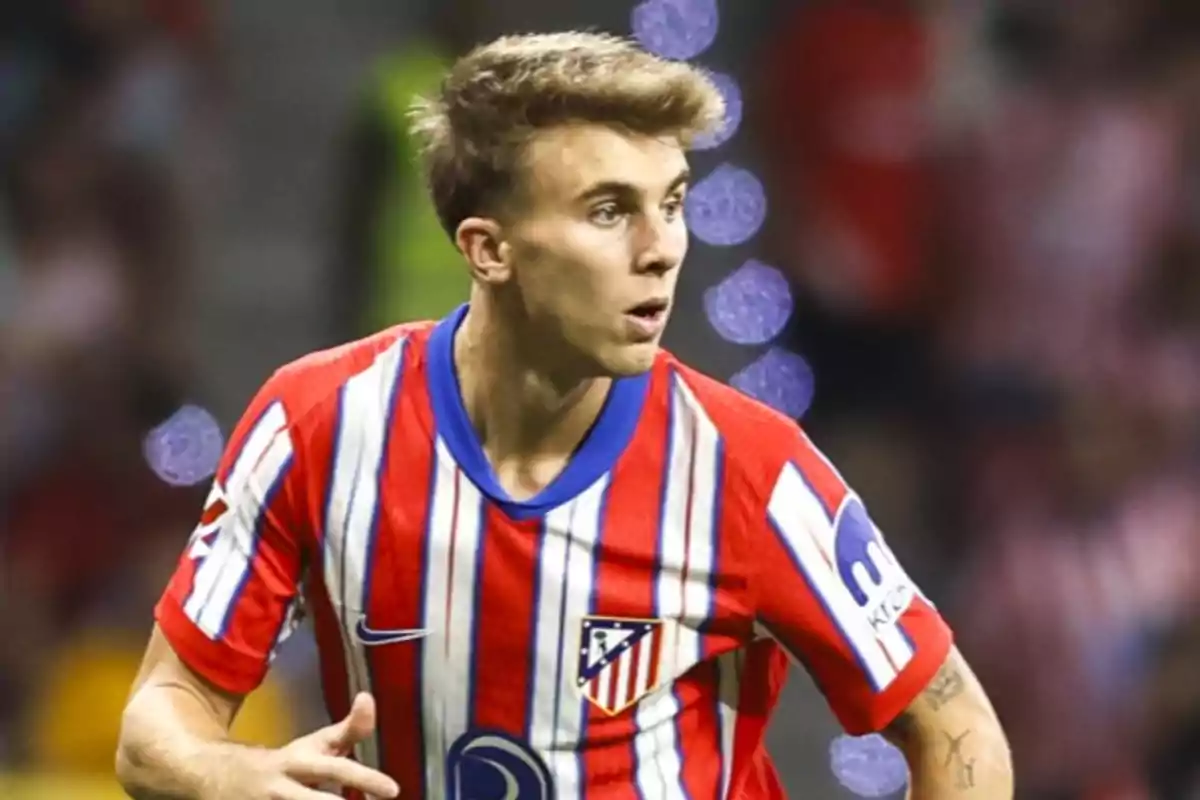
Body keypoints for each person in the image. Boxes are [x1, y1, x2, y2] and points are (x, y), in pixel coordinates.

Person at [115, 32, 1013, 800]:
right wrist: (215, 773)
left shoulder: (748, 467)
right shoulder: (316, 424)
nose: (661, 249)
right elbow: (160, 715)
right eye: (609, 210)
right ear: (489, 249)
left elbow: (955, 727)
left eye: (671, 204)